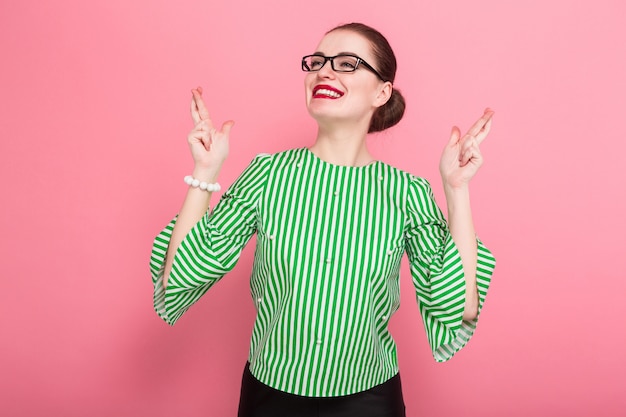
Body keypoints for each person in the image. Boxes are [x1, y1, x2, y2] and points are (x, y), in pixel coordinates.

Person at [150, 22, 495, 417]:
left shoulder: (408, 192)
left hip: (369, 399)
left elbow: (460, 307)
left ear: (381, 92)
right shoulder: (267, 174)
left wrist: (456, 189)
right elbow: (177, 276)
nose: (324, 71)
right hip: (270, 396)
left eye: (347, 63)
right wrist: (205, 172)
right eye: (318, 62)